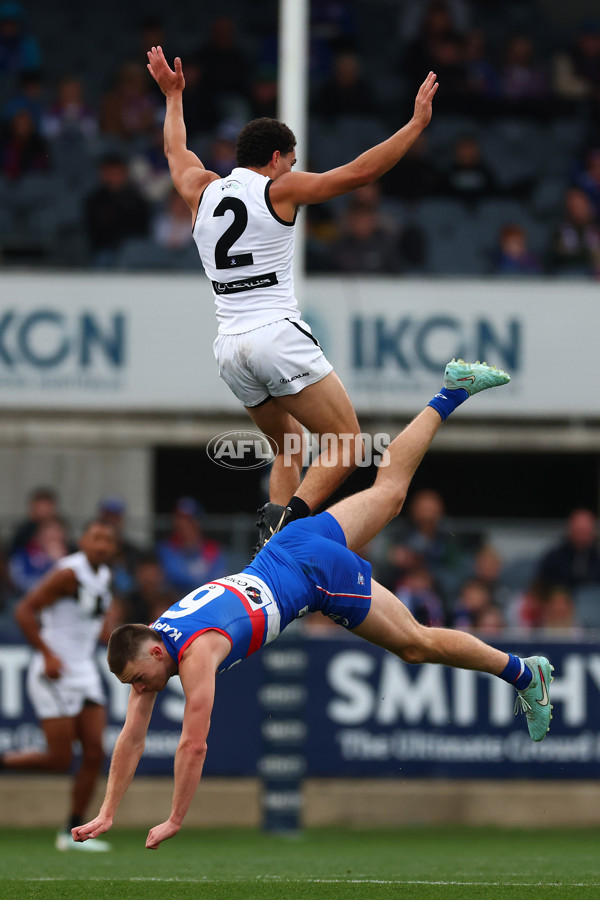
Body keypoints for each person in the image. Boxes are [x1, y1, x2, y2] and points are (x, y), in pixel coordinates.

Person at [72, 360, 554, 851]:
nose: (139, 691)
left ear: (154, 653)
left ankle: (523, 673)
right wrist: (108, 812)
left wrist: (175, 817)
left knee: (415, 644)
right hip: (290, 544)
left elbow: (193, 744)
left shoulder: (196, 655)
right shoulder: (153, 637)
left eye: (136, 681)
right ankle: (452, 392)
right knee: (387, 493)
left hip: (313, 575)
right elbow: (132, 738)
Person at [146, 46, 439, 550]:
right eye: (291, 161)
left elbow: (176, 150)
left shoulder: (201, 189)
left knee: (290, 443)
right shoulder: (277, 189)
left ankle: (268, 537)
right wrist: (414, 125)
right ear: (277, 159)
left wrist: (173, 97)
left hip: (229, 346)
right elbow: (359, 174)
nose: (292, 169)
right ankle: (286, 526)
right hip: (274, 333)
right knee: (348, 442)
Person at [0, 520, 120, 852]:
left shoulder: (104, 576)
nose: (101, 544)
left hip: (84, 670)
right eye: (95, 537)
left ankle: (72, 832)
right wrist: (47, 654)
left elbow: (92, 622)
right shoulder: (68, 573)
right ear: (82, 540)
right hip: (55, 671)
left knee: (95, 752)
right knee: (59, 759)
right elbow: (25, 610)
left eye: (107, 539)